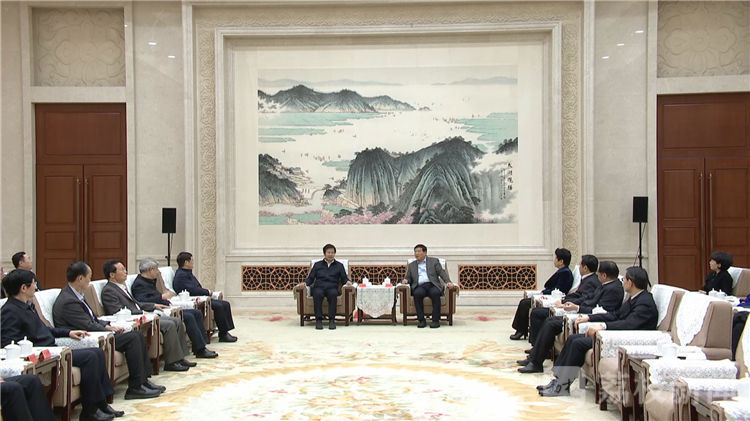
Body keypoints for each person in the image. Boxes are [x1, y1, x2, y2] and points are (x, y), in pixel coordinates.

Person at [1, 269, 123, 421]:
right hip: (41, 352)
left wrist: (68, 332)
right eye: (33, 284)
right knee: (90, 357)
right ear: (23, 288)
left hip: (52, 348)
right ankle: (90, 410)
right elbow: (8, 341)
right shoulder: (10, 311)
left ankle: (101, 404)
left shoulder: (27, 306)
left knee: (96, 353)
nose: (36, 287)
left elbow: (45, 330)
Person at [538, 266, 657, 397]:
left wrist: (603, 327)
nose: (622, 282)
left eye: (624, 279)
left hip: (627, 340)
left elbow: (629, 324)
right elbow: (615, 315)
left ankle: (562, 386)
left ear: (631, 282)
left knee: (578, 343)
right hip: (615, 334)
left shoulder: (645, 302)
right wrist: (589, 318)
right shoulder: (634, 298)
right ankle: (558, 380)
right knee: (573, 338)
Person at [52, 261, 164, 400]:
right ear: (80, 278)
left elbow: (92, 319)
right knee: (133, 338)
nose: (90, 280)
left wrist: (107, 325)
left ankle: (143, 381)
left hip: (95, 332)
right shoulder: (68, 300)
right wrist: (109, 330)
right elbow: (88, 325)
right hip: (85, 338)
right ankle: (135, 387)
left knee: (137, 335)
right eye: (89, 277)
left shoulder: (76, 295)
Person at [518, 260, 624, 373]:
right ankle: (534, 359)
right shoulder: (605, 285)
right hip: (583, 312)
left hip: (589, 318)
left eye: (598, 273)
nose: (596, 275)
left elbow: (602, 311)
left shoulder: (614, 289)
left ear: (604, 275)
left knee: (551, 324)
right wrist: (572, 304)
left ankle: (536, 363)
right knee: (549, 321)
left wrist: (577, 308)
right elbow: (588, 298)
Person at [101, 259, 197, 371]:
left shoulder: (121, 287)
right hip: (133, 321)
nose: (125, 272)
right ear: (112, 275)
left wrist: (153, 305)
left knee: (176, 321)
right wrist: (142, 312)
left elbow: (136, 304)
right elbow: (118, 311)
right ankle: (171, 363)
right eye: (122, 270)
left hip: (143, 315)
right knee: (170, 324)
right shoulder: (109, 291)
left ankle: (180, 358)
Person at [130, 257, 218, 359]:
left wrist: (166, 300)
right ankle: (200, 350)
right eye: (156, 269)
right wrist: (162, 297)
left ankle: (201, 345)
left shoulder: (150, 281)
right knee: (189, 317)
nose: (158, 272)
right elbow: (143, 300)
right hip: (157, 310)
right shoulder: (139, 284)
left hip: (166, 307)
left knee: (196, 313)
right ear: (151, 270)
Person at [173, 252, 238, 342]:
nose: (193, 262)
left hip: (201, 296)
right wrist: (208, 292)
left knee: (225, 304)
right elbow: (192, 290)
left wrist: (207, 292)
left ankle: (224, 332)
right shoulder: (181, 275)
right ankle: (223, 334)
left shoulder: (187, 273)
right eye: (192, 260)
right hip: (194, 299)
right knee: (219, 306)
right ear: (186, 262)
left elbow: (197, 287)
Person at [510, 248, 573, 340]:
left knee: (525, 303)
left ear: (561, 261)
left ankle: (521, 330)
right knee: (524, 302)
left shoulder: (565, 273)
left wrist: (544, 293)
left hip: (554, 297)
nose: (554, 260)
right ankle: (521, 329)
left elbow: (559, 289)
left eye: (556, 258)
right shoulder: (562, 271)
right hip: (549, 294)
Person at [297, 244, 351, 330]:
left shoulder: (339, 265)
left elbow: (344, 278)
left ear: (334, 254)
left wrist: (348, 282)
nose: (330, 254)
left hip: (332, 287)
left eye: (332, 252)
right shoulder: (317, 265)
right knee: (317, 294)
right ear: (324, 253)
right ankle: (319, 320)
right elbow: (311, 278)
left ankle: (331, 320)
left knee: (333, 294)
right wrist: (305, 283)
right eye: (328, 252)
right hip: (319, 287)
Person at [401, 244, 454, 329]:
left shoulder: (434, 261)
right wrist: (406, 280)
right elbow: (408, 277)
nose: (416, 253)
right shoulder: (412, 265)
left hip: (432, 284)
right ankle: (421, 320)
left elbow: (441, 273)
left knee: (435, 293)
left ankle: (435, 320)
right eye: (415, 252)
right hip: (420, 286)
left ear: (425, 252)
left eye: (419, 251)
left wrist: (448, 282)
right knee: (417, 294)